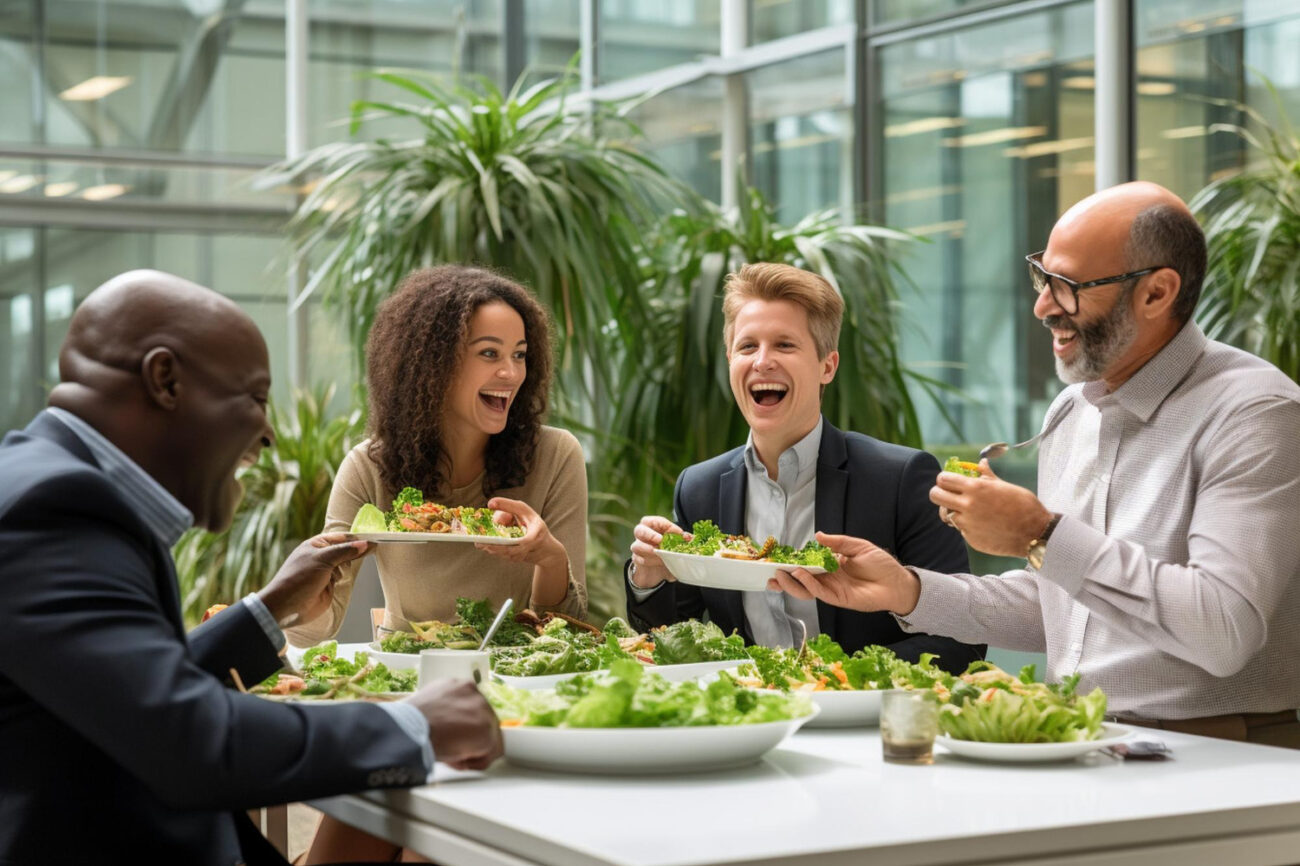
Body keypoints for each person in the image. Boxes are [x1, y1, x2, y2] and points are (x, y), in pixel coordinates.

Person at [770, 182, 1300, 747]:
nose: (1043, 306)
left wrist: (1039, 533)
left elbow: (1223, 629)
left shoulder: (1254, 412)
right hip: (1082, 742)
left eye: (1068, 286)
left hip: (1223, 758)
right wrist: (906, 590)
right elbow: (1063, 608)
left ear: (1156, 293)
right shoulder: (1072, 412)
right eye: (1042, 277)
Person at [0, 270, 504, 865]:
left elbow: (131, 691)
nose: (266, 434)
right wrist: (412, 726)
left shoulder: (48, 484)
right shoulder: (55, 511)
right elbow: (188, 740)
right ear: (165, 380)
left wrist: (270, 609)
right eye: (254, 398)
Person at [625, 262, 983, 672]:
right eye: (747, 347)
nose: (762, 361)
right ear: (730, 361)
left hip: (862, 724)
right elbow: (668, 641)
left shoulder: (901, 478)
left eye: (784, 345)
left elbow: (962, 636)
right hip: (750, 723)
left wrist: (836, 682)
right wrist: (647, 577)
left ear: (827, 366)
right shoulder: (699, 487)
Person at [285, 265, 587, 647]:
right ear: (433, 363)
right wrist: (297, 598)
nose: (511, 373)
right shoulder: (368, 467)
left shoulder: (556, 456)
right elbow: (313, 631)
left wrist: (549, 558)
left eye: (520, 354)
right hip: (408, 675)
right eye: (490, 353)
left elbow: (568, 633)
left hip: (515, 677)